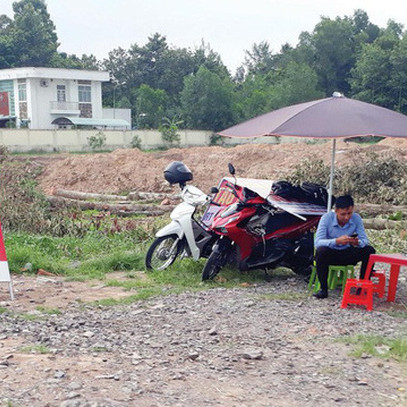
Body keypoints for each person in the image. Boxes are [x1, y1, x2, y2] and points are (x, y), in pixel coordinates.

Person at [313, 194, 375, 299]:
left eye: (349, 213)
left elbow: (365, 241)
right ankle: (323, 289)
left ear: (353, 210)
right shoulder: (326, 218)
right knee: (321, 251)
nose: (346, 217)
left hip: (348, 252)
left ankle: (362, 286)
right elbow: (318, 242)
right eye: (343, 214)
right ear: (336, 210)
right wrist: (336, 241)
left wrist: (357, 242)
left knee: (370, 250)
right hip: (331, 254)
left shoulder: (356, 218)